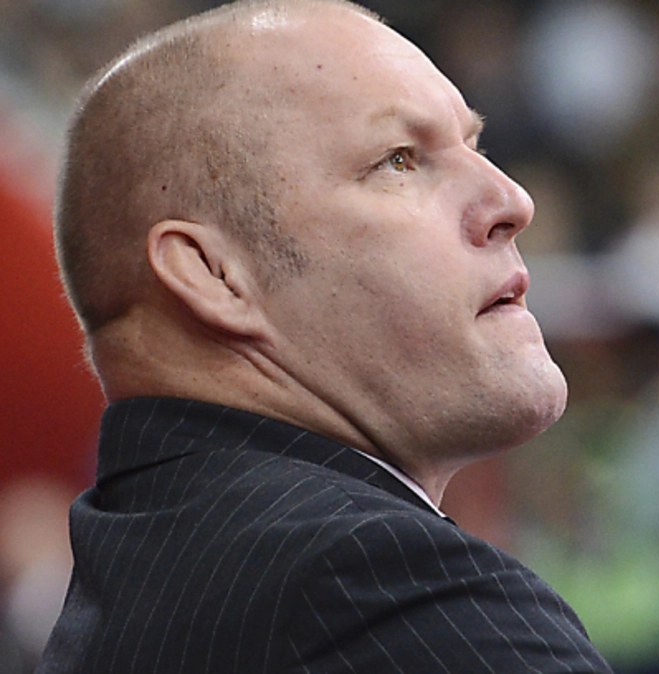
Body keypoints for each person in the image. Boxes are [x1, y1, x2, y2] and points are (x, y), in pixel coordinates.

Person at [36, 0, 612, 671]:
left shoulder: (155, 570)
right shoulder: (376, 589)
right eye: (398, 161)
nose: (513, 201)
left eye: (474, 146)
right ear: (214, 275)